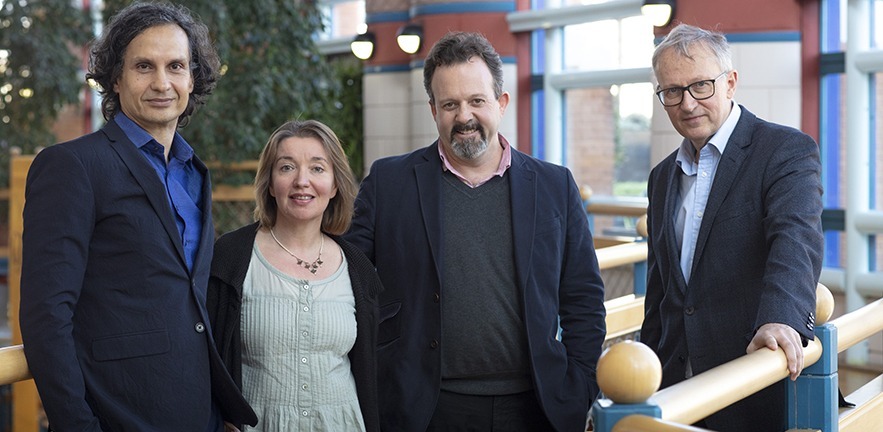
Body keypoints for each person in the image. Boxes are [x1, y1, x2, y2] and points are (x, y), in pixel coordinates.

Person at [346, 31, 606, 432]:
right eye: (450, 104)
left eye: (476, 101)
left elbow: (583, 298)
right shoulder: (389, 182)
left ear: (501, 103)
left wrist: (580, 385)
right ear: (433, 110)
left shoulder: (555, 185)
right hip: (423, 407)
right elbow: (348, 280)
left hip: (537, 406)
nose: (463, 116)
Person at [19, 2, 257, 431]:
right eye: (144, 66)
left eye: (176, 66)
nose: (162, 83)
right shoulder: (73, 166)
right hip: (116, 416)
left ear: (193, 77)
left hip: (199, 414)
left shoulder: (194, 171)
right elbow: (46, 315)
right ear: (115, 77)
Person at [640, 23, 823, 432]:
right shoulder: (661, 177)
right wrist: (643, 378)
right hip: (673, 387)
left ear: (731, 83)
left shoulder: (784, 151)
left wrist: (780, 319)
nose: (687, 104)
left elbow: (795, 240)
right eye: (672, 91)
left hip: (748, 378)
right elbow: (661, 290)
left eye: (701, 86)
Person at [207, 120, 382, 432]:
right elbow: (207, 356)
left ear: (335, 184)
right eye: (287, 168)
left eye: (317, 168)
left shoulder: (358, 268)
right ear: (271, 184)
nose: (302, 181)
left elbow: (372, 370)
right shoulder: (232, 257)